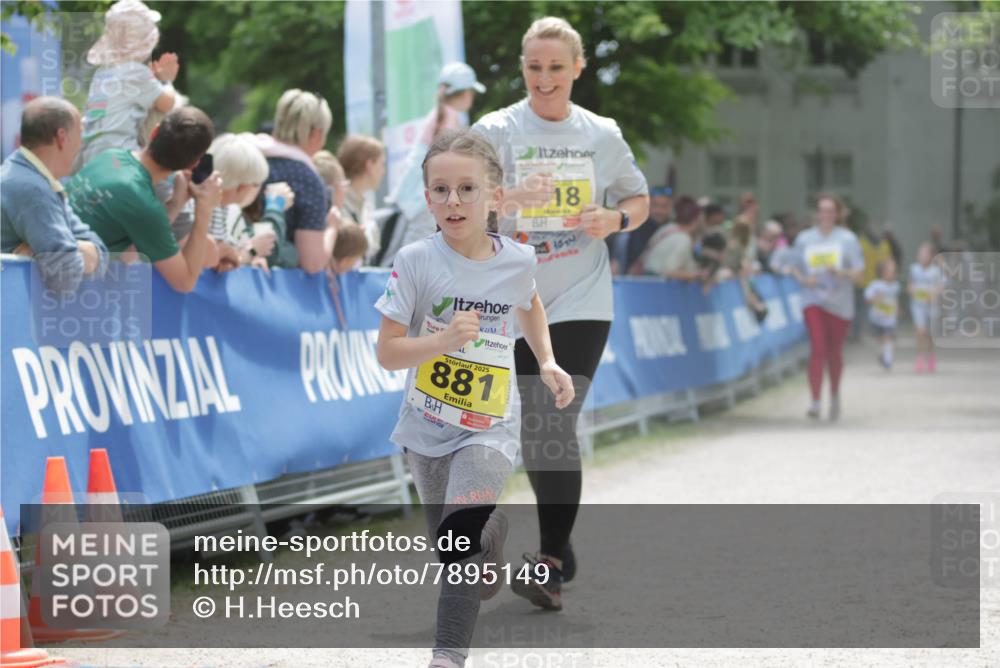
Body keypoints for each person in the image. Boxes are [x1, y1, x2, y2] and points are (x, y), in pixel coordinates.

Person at [374, 130, 573, 668]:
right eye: (441, 190)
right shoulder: (415, 260)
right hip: (426, 425)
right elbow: (388, 353)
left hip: (490, 425)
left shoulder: (518, 260)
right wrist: (441, 342)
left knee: (458, 535)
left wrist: (547, 359)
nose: (454, 201)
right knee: (456, 554)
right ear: (427, 198)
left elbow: (529, 303)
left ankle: (447, 657)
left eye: (467, 188)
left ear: (495, 196)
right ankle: (493, 535)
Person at [472, 16, 649, 610]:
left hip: (579, 296)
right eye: (533, 67)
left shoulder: (601, 133)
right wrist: (506, 200)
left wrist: (615, 219)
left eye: (555, 68)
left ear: (578, 68)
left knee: (551, 422)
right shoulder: (495, 130)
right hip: (509, 298)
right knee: (520, 431)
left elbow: (639, 198)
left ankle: (547, 563)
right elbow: (456, 197)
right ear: (522, 68)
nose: (544, 79)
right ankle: (545, 540)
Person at [67, 106, 220, 293]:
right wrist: (205, 208)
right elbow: (184, 282)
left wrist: (176, 203)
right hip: (73, 291)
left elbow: (144, 234)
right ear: (193, 164)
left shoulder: (110, 156)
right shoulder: (144, 206)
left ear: (154, 132)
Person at [1, 97, 108, 293]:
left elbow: (101, 252)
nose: (82, 144)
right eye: (80, 133)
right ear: (62, 137)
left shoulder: (32, 178)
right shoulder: (32, 189)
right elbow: (66, 277)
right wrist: (73, 253)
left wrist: (51, 250)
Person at [385, 62, 487, 264]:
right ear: (466, 93)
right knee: (415, 257)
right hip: (425, 198)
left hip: (419, 196)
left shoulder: (442, 114)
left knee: (417, 254)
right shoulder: (450, 117)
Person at [790, 193, 864, 420]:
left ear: (838, 214)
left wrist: (841, 272)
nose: (826, 215)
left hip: (840, 303)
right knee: (818, 348)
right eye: (822, 210)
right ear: (817, 213)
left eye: (830, 211)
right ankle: (815, 401)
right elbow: (794, 267)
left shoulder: (847, 239)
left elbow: (859, 273)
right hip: (813, 300)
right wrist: (804, 280)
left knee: (834, 352)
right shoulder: (805, 239)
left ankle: (834, 393)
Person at [79, 0, 179, 166]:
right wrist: (166, 80)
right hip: (119, 156)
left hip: (91, 155)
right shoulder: (137, 72)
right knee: (164, 173)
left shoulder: (102, 72)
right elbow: (167, 103)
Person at [253, 89, 335, 273]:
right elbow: (312, 263)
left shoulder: (251, 158)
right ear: (316, 134)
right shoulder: (307, 180)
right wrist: (333, 229)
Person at [338, 134, 387, 264]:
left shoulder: (365, 204)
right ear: (369, 165)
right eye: (381, 164)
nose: (383, 171)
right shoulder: (338, 201)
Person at [608, 185, 672, 275]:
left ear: (670, 207)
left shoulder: (673, 229)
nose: (659, 210)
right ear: (648, 205)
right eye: (655, 205)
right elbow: (617, 261)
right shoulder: (634, 227)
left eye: (664, 206)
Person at [638, 195, 704, 282]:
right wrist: (696, 275)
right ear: (695, 220)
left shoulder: (668, 228)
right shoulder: (683, 239)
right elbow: (669, 271)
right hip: (657, 284)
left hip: (645, 279)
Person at [908, 241, 945, 373]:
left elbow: (942, 287)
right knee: (920, 332)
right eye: (920, 253)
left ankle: (931, 356)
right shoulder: (914, 268)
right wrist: (913, 291)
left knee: (930, 335)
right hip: (918, 306)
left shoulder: (936, 271)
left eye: (924, 254)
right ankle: (919, 358)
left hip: (932, 306)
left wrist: (934, 292)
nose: (921, 256)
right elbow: (910, 285)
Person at [854, 224, 892, 341]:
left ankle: (872, 332)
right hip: (864, 281)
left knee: (875, 308)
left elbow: (887, 262)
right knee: (861, 309)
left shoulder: (883, 245)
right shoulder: (861, 244)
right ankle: (860, 333)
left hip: (875, 283)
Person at [865, 259, 900, 370]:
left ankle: (888, 360)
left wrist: (896, 309)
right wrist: (876, 298)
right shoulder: (875, 285)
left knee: (887, 337)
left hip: (889, 319)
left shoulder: (896, 286)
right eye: (890, 271)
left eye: (894, 271)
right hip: (876, 318)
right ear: (882, 272)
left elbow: (894, 300)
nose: (892, 274)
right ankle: (883, 354)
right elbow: (867, 298)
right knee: (879, 338)